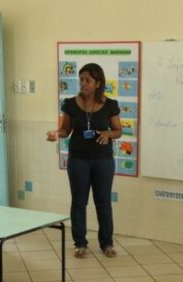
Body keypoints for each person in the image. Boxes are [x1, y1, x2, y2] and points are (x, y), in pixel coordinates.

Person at [46, 63, 122, 259]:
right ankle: (80, 243)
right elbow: (66, 130)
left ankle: (107, 243)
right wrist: (56, 133)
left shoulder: (110, 104)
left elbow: (118, 131)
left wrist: (108, 133)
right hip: (78, 160)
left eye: (88, 80)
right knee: (79, 202)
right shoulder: (70, 104)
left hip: (103, 161)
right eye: (81, 79)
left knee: (103, 203)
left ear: (98, 83)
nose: (83, 83)